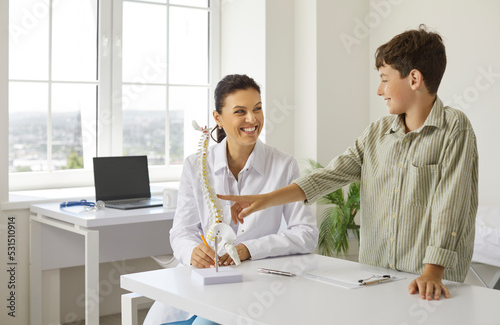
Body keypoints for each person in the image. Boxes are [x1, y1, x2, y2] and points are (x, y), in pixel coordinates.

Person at [219, 25, 478, 301]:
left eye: (384, 79)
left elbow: (451, 205)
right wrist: (266, 199)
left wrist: (433, 271)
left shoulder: (454, 128)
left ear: (414, 79)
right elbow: (327, 176)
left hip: (428, 284)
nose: (379, 90)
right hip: (377, 278)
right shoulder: (377, 133)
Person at [143, 74, 318, 325]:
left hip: (256, 284)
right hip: (203, 277)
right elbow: (181, 231)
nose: (252, 119)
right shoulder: (196, 165)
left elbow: (306, 234)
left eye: (257, 108)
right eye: (240, 111)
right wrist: (193, 252)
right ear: (218, 118)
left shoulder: (283, 165)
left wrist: (248, 249)